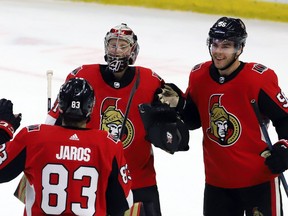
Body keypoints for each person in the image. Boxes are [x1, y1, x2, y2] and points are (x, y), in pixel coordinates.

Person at [32, 23, 188, 216]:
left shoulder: (150, 80)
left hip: (139, 180)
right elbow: (51, 126)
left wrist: (173, 113)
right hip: (93, 182)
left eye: (123, 46)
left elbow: (181, 124)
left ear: (133, 50)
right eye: (112, 45)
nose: (116, 51)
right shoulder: (81, 76)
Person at [158, 17, 288, 216]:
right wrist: (180, 105)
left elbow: (284, 119)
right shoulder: (199, 75)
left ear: (239, 48)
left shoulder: (258, 78)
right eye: (215, 44)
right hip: (218, 183)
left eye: (226, 46)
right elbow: (195, 121)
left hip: (259, 180)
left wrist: (285, 148)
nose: (218, 52)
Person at [0, 78, 134, 215]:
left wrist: (3, 130)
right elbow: (122, 203)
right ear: (91, 107)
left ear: (60, 106)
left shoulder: (33, 137)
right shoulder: (109, 144)